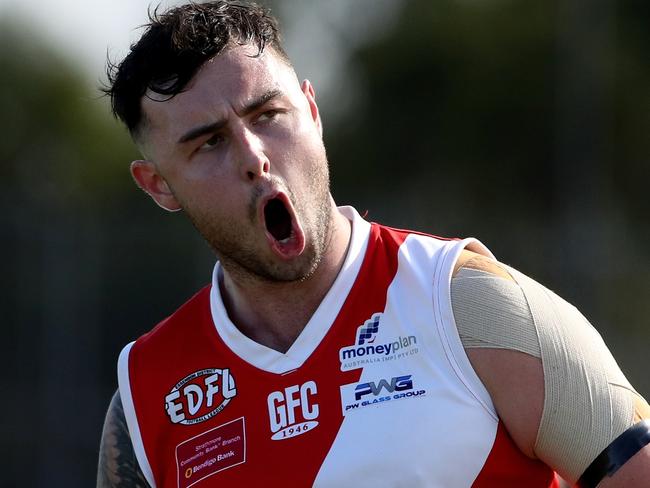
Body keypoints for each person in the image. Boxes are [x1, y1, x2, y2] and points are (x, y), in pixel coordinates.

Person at [96, 2, 650, 487]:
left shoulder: (467, 306)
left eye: (268, 115)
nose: (254, 157)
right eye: (210, 143)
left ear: (312, 110)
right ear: (159, 185)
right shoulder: (148, 399)